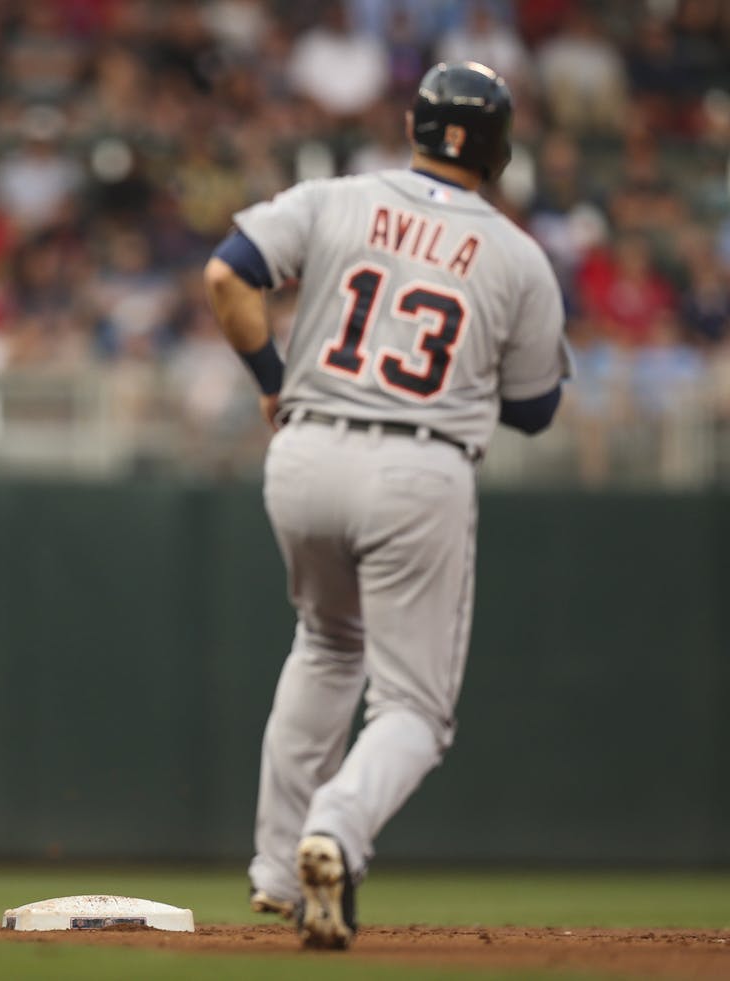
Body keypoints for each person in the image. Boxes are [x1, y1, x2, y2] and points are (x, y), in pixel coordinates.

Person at [203, 62, 568, 950]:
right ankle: (336, 828)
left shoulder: (339, 198)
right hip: (416, 466)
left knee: (326, 642)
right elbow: (535, 408)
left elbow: (227, 277)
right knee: (413, 708)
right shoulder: (519, 255)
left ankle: (278, 865)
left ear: (414, 125)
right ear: (501, 149)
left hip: (307, 447)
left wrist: (274, 380)